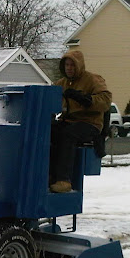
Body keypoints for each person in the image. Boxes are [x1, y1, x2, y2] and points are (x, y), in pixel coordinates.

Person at [49, 50, 112, 193]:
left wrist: (86, 99)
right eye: (67, 65)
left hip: (90, 123)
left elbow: (106, 100)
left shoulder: (93, 79)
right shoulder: (61, 84)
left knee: (68, 134)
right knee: (48, 132)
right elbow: (49, 98)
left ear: (79, 65)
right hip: (69, 121)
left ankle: (64, 180)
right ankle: (49, 175)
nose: (69, 68)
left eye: (72, 65)